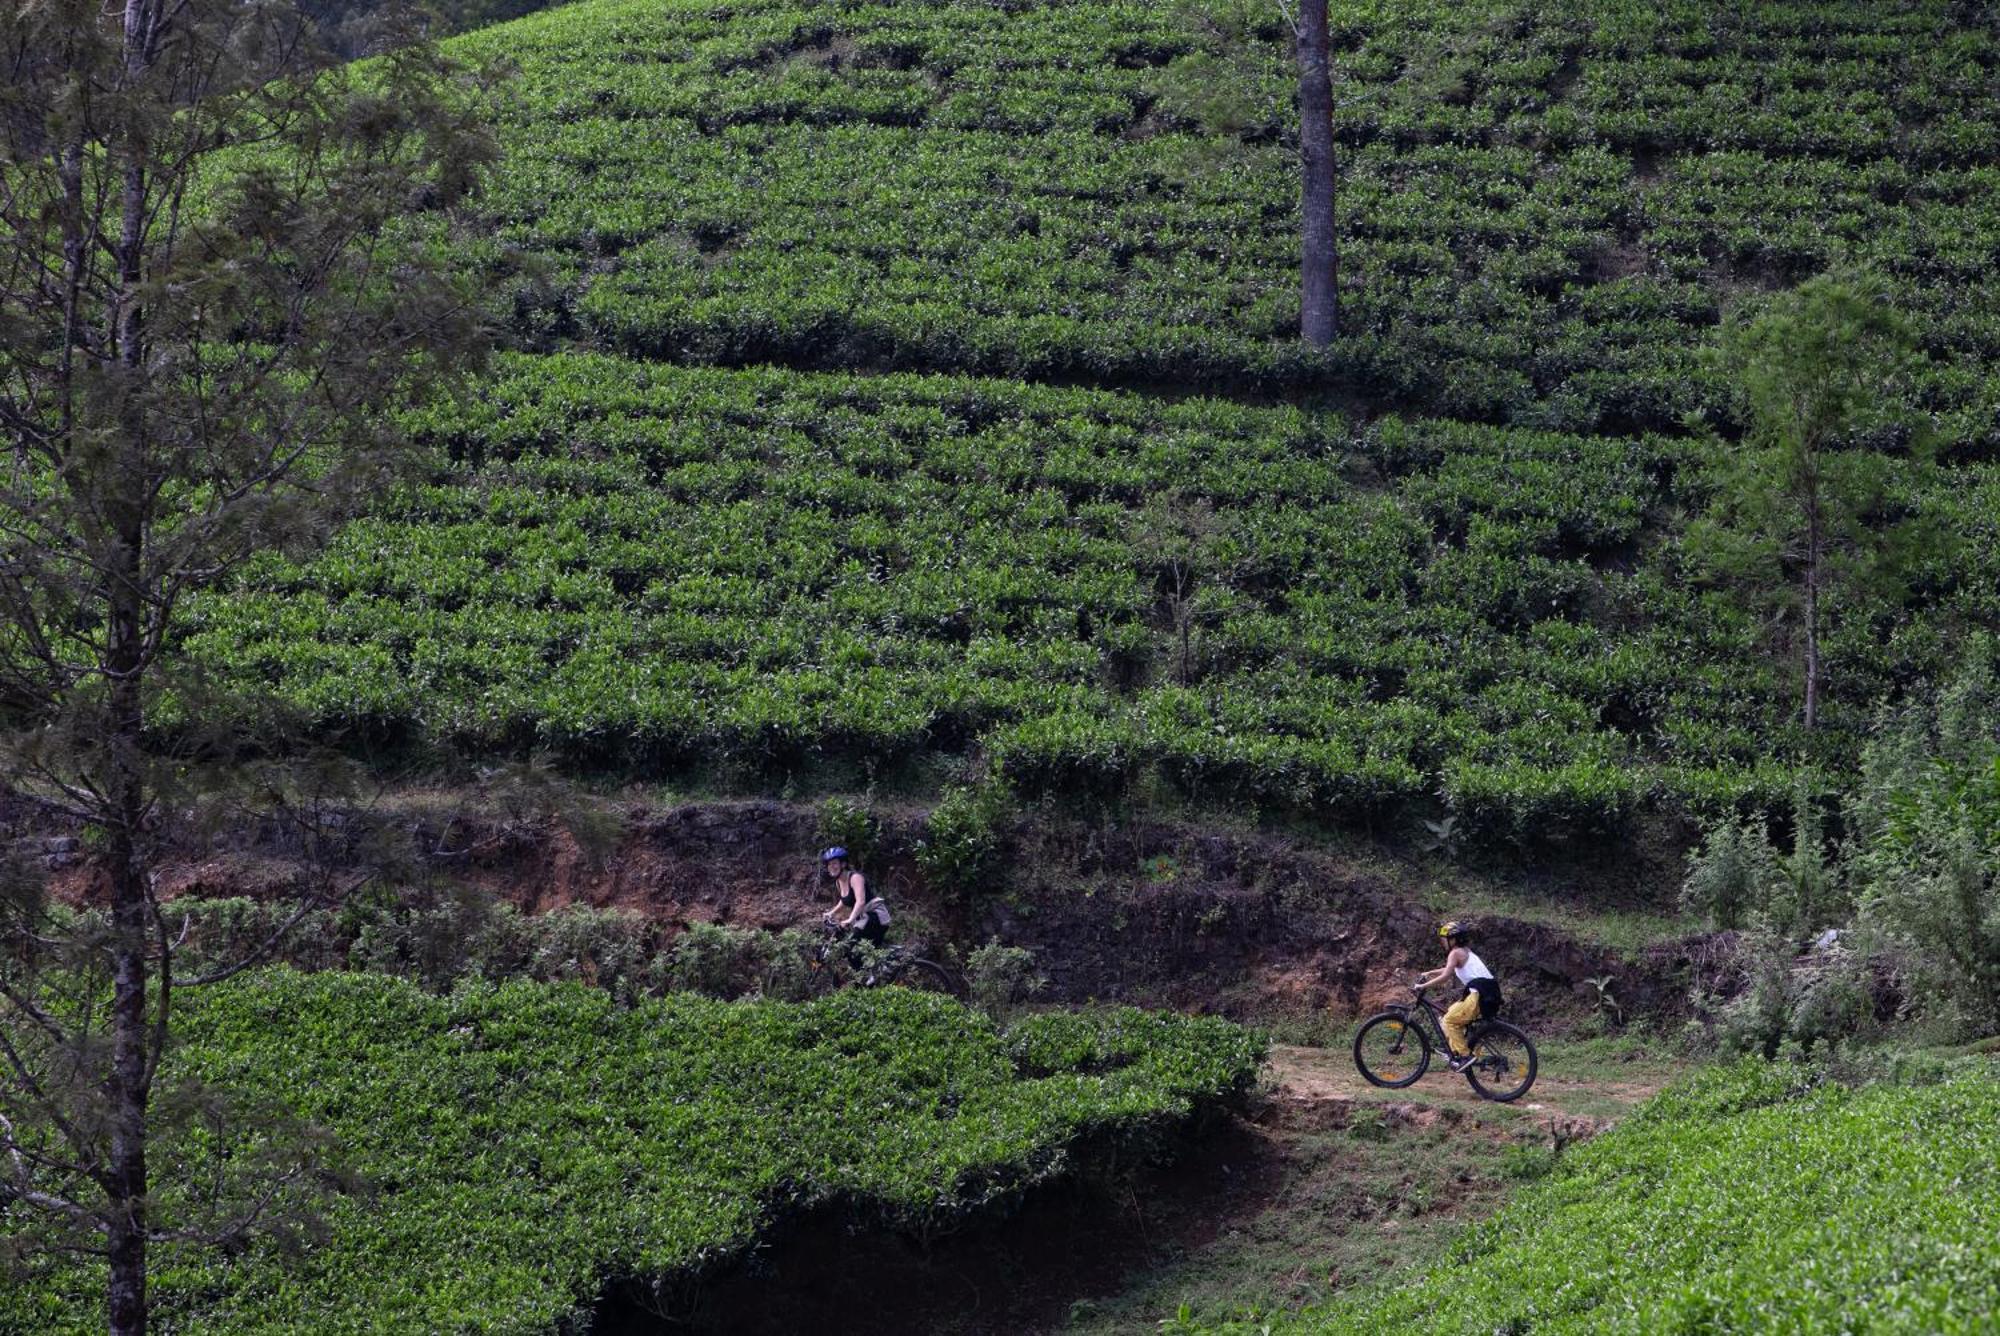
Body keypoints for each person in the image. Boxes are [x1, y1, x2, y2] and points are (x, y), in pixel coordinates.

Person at [1415, 919, 1501, 1073]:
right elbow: (1449, 968)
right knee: (1449, 1013)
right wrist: (1430, 973)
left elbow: (1446, 975)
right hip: (1487, 994)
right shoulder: (1465, 951)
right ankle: (1455, 1050)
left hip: (1479, 996)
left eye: (1444, 939)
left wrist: (1423, 986)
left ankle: (1464, 1056)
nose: (1442, 942)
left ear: (1453, 939)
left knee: (1449, 1021)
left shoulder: (1455, 953)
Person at [818, 846, 890, 947]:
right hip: (863, 917)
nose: (831, 867)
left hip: (875, 916)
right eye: (829, 864)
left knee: (852, 946)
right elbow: (844, 900)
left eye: (834, 863)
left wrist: (850, 919)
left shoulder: (855, 878)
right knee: (849, 944)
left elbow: (860, 901)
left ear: (843, 864)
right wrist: (831, 913)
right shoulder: (839, 882)